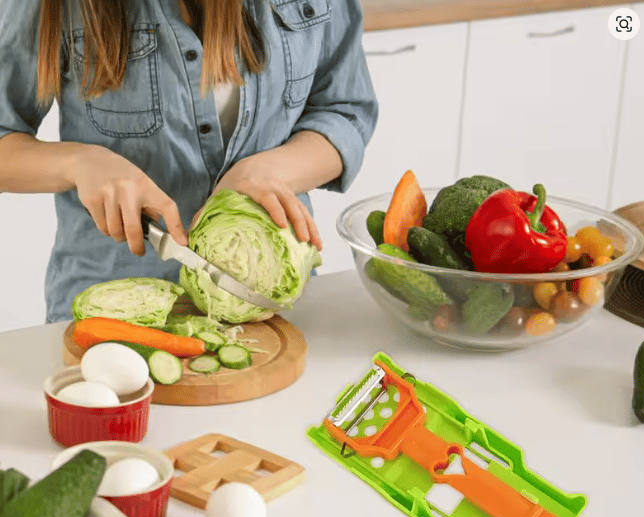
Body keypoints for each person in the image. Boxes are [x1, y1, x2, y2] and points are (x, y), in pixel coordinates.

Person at [0, 0, 378, 323]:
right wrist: (80, 163)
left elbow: (346, 110)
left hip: (275, 305)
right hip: (114, 306)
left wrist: (270, 171)